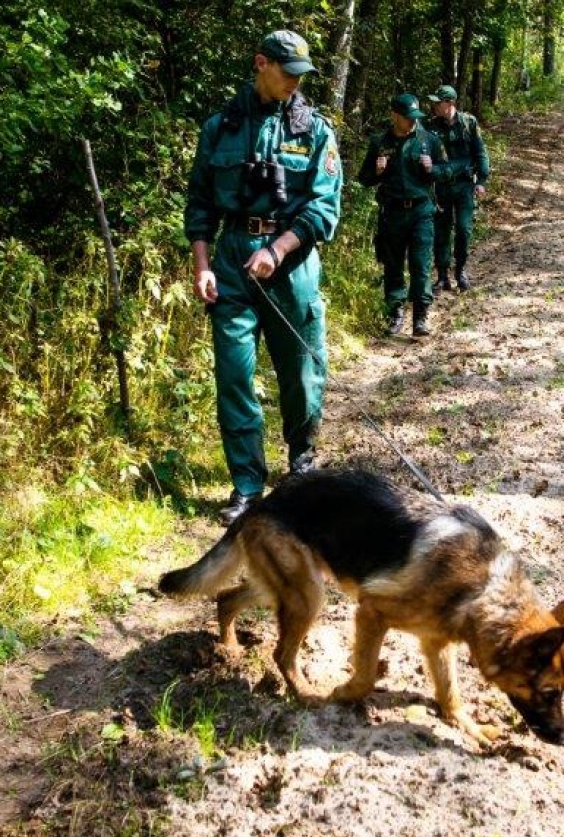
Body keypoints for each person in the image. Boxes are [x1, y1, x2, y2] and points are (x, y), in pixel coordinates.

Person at [184, 30, 343, 524]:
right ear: (261, 64)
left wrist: (278, 249)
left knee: (300, 370)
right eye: (288, 72)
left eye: (302, 75)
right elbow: (200, 204)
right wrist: (203, 265)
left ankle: (300, 463)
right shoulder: (220, 127)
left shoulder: (314, 131)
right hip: (231, 261)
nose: (295, 83)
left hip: (290, 263)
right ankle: (247, 488)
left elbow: (324, 208)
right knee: (234, 375)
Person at [357, 93, 454, 337]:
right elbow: (364, 178)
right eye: (408, 117)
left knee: (421, 265)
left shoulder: (428, 140)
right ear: (395, 116)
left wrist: (432, 169)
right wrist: (378, 171)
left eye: (415, 117)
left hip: (421, 211)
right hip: (392, 212)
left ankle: (420, 316)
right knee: (393, 265)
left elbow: (447, 170)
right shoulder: (380, 142)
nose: (412, 122)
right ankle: (395, 313)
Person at [425, 84, 490, 292]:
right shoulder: (431, 127)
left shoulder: (468, 123)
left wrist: (481, 181)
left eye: (438, 102)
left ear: (450, 103)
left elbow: (480, 153)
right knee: (441, 232)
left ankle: (460, 269)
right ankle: (442, 275)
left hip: (463, 186)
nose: (434, 105)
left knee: (463, 229)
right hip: (441, 187)